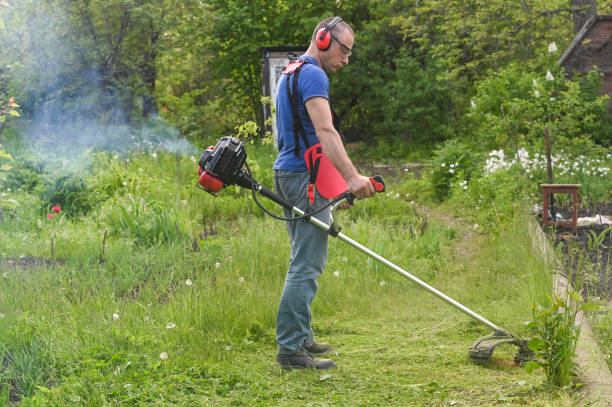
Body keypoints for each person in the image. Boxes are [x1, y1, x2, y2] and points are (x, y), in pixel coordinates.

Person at [273, 16, 375, 370]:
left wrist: (332, 185)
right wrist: (352, 178)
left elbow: (302, 137)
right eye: (344, 50)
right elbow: (324, 131)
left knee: (302, 258)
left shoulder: (291, 71)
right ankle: (290, 351)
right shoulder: (313, 73)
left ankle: (301, 338)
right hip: (303, 177)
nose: (346, 59)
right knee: (307, 264)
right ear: (322, 38)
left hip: (292, 173)